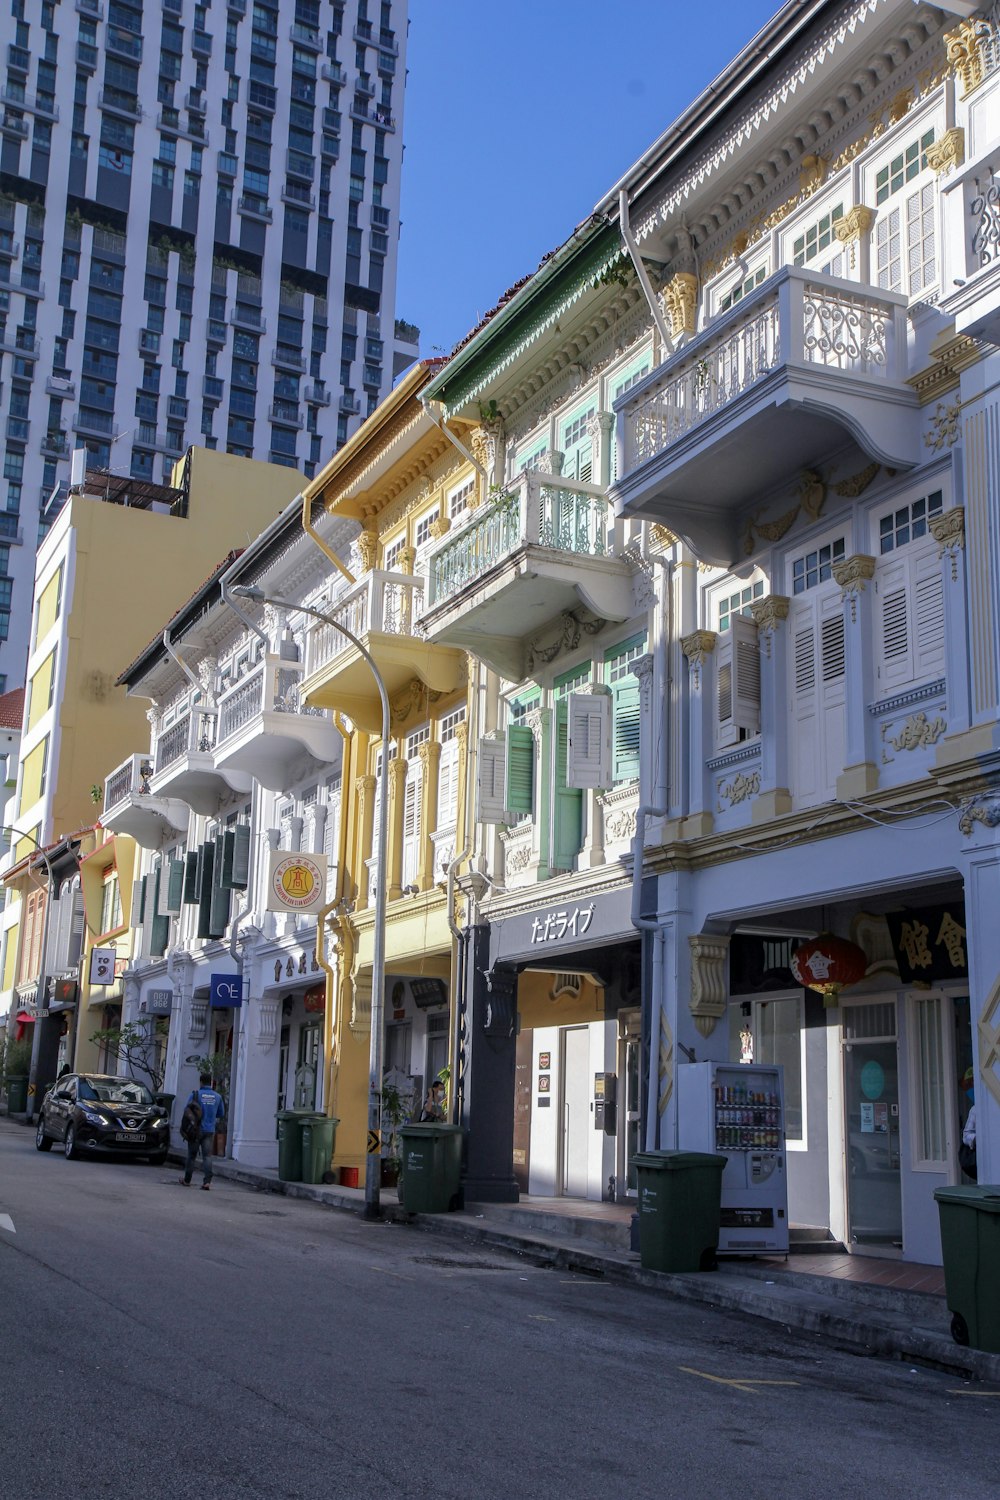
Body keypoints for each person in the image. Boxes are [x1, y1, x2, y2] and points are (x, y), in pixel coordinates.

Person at [180, 1072, 225, 1190]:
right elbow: (221, 1113)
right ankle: (207, 1182)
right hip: (209, 1130)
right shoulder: (218, 1096)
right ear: (211, 1082)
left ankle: (187, 1180)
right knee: (207, 1156)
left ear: (200, 1082)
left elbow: (187, 1110)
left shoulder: (195, 1095)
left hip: (195, 1131)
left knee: (191, 1156)